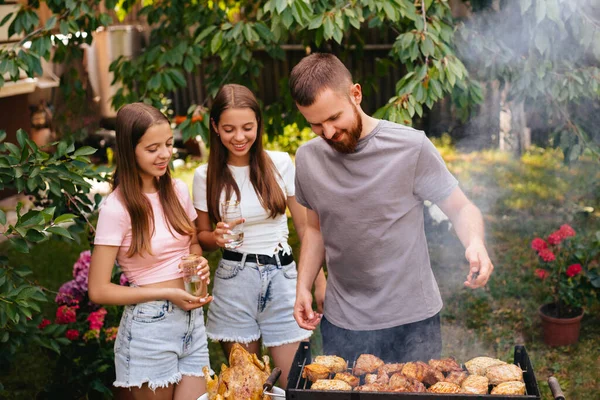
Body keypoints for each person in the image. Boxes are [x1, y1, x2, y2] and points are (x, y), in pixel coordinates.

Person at [289, 53, 494, 363]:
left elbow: (461, 208)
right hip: (343, 322)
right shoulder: (307, 159)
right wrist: (303, 286)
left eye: (334, 118)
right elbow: (316, 231)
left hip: (412, 321)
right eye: (316, 124)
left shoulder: (411, 147)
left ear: (355, 94)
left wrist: (476, 242)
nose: (328, 133)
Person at [192, 83, 326, 386]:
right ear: (214, 127)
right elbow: (201, 237)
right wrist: (216, 236)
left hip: (283, 278)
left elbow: (306, 228)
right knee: (245, 387)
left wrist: (318, 283)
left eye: (247, 127)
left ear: (258, 125)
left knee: (296, 383)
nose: (239, 137)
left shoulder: (279, 163)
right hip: (234, 281)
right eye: (229, 129)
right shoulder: (205, 175)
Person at [89, 103, 212, 400]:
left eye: (169, 144)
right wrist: (166, 294)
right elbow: (99, 290)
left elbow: (192, 242)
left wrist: (199, 264)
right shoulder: (116, 209)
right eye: (153, 148)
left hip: (192, 326)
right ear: (130, 151)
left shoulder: (177, 191)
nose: (165, 154)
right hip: (149, 329)